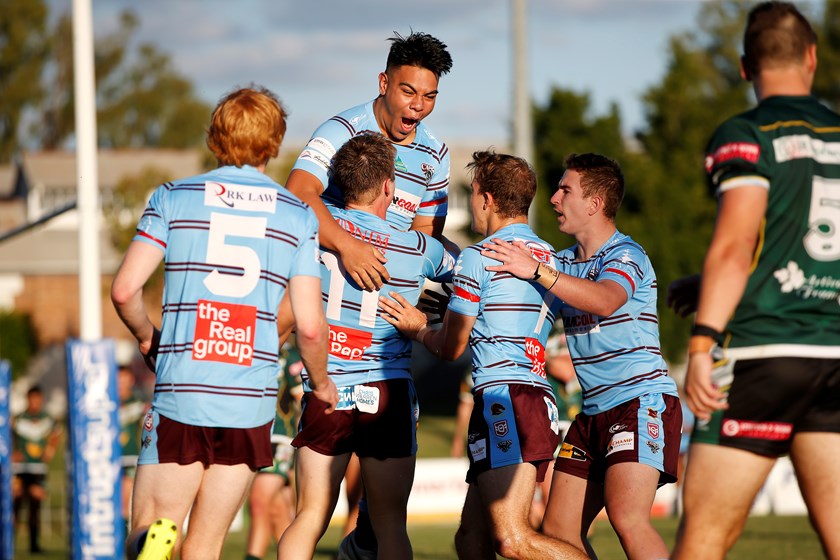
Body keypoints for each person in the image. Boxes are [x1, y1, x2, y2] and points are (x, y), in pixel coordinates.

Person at [110, 85, 338, 560]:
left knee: (152, 524)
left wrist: (147, 335)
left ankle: (154, 538)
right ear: (274, 144)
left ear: (215, 137)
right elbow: (311, 327)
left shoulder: (173, 198)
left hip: (183, 390)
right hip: (248, 403)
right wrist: (321, 384)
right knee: (207, 545)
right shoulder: (297, 216)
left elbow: (124, 290)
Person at [665, 3, 840, 558]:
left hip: (765, 353)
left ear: (745, 67)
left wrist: (702, 341)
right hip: (835, 356)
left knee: (705, 541)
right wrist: (717, 280)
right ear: (812, 57)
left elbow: (737, 242)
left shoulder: (748, 133)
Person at [380, 150, 587, 560]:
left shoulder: (480, 255)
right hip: (525, 397)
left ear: (487, 199)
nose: (472, 202)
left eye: (472, 193)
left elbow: (451, 347)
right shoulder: (550, 256)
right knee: (471, 540)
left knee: (512, 540)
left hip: (505, 399)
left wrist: (417, 327)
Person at [481, 153, 681, 559]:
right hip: (591, 415)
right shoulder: (565, 262)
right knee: (559, 532)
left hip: (639, 403)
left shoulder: (626, 255)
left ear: (594, 203)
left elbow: (606, 299)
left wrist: (537, 271)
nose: (553, 199)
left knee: (627, 518)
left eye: (564, 190)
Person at [276, 131, 455, 560]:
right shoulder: (418, 247)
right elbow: (468, 278)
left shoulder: (316, 236)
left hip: (328, 389)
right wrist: (440, 307)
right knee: (391, 523)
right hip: (387, 391)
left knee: (310, 516)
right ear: (390, 186)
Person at [287, 30, 453, 292]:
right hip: (326, 295)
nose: (418, 105)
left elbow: (423, 239)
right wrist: (348, 246)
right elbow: (297, 195)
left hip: (386, 303)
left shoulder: (436, 154)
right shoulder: (341, 130)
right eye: (408, 92)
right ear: (384, 84)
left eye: (429, 96)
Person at [243, 342, 304, 560]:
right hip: (253, 437)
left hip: (279, 439)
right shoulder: (250, 349)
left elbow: (303, 401)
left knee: (258, 502)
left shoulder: (290, 356)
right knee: (278, 512)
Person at [11, 385, 60, 554]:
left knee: (35, 506)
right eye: (32, 399)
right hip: (19, 469)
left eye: (38, 399)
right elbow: (6, 438)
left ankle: (34, 546)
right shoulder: (17, 419)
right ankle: (9, 544)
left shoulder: (47, 419)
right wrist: (13, 453)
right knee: (15, 505)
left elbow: (56, 434)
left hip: (38, 469)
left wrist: (50, 450)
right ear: (28, 399)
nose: (35, 403)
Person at [118, 363, 149, 530]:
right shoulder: (105, 402)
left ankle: (122, 541)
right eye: (118, 379)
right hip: (108, 458)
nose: (121, 383)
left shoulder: (137, 403)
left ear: (131, 380)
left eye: (125, 379)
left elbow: (149, 427)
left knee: (124, 499)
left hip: (129, 457)